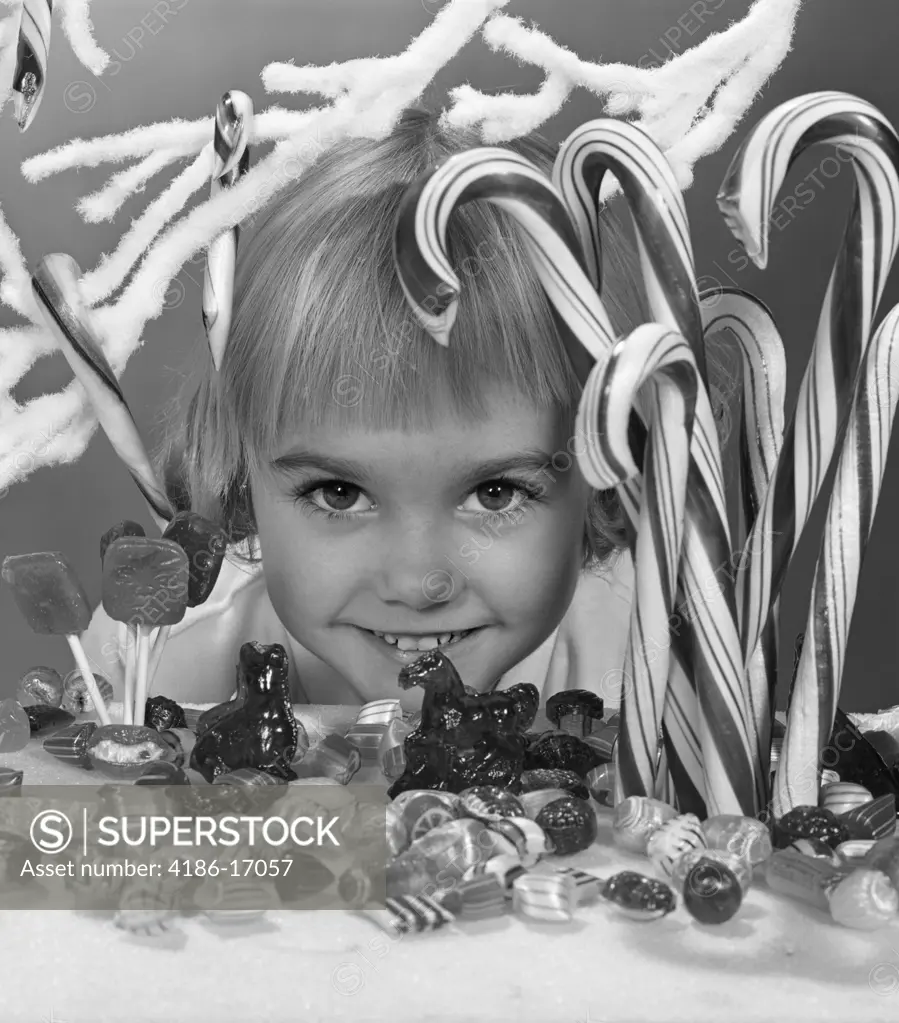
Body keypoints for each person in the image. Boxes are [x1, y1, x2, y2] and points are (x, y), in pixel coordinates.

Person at [81, 106, 734, 712]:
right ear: (242, 471)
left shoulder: (648, 667)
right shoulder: (150, 661)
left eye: (496, 492)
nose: (419, 582)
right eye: (337, 492)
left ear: (606, 479)